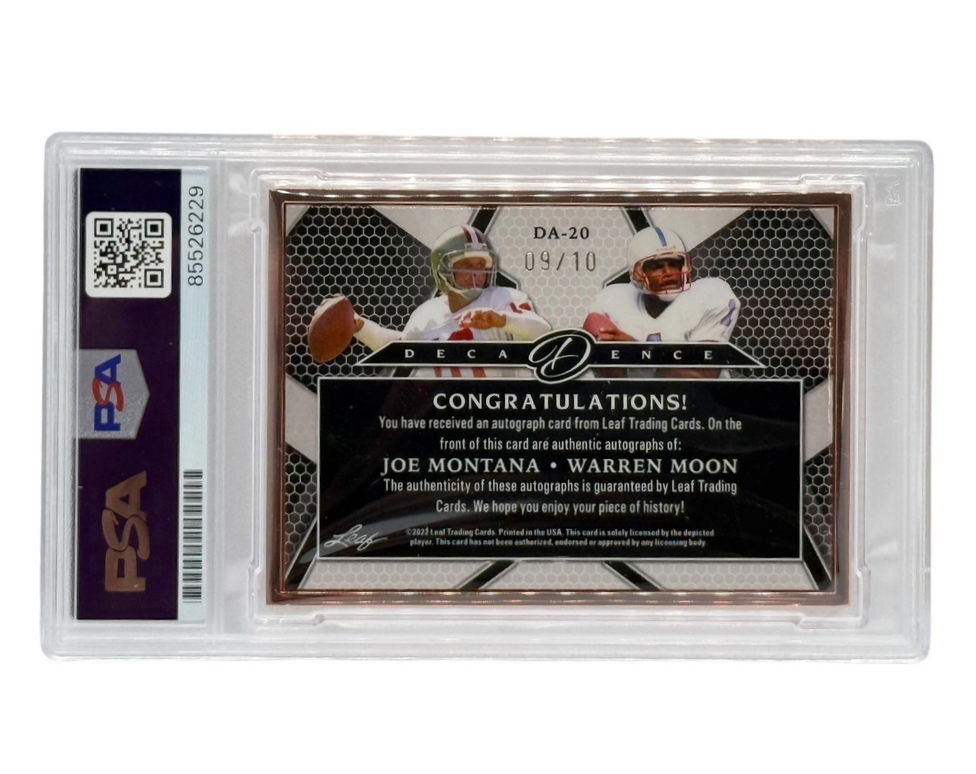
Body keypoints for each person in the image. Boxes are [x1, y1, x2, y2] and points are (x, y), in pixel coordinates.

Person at [350, 225, 550, 377]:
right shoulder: (426, 315)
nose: (477, 273)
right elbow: (400, 350)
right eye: (466, 265)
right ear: (443, 269)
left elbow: (542, 334)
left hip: (501, 414)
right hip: (448, 416)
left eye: (481, 264)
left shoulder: (503, 299)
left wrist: (502, 320)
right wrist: (360, 326)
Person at [583, 226, 739, 378]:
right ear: (637, 274)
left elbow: (702, 376)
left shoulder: (708, 296)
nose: (668, 272)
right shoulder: (612, 301)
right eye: (656, 266)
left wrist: (636, 352)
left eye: (674, 264)